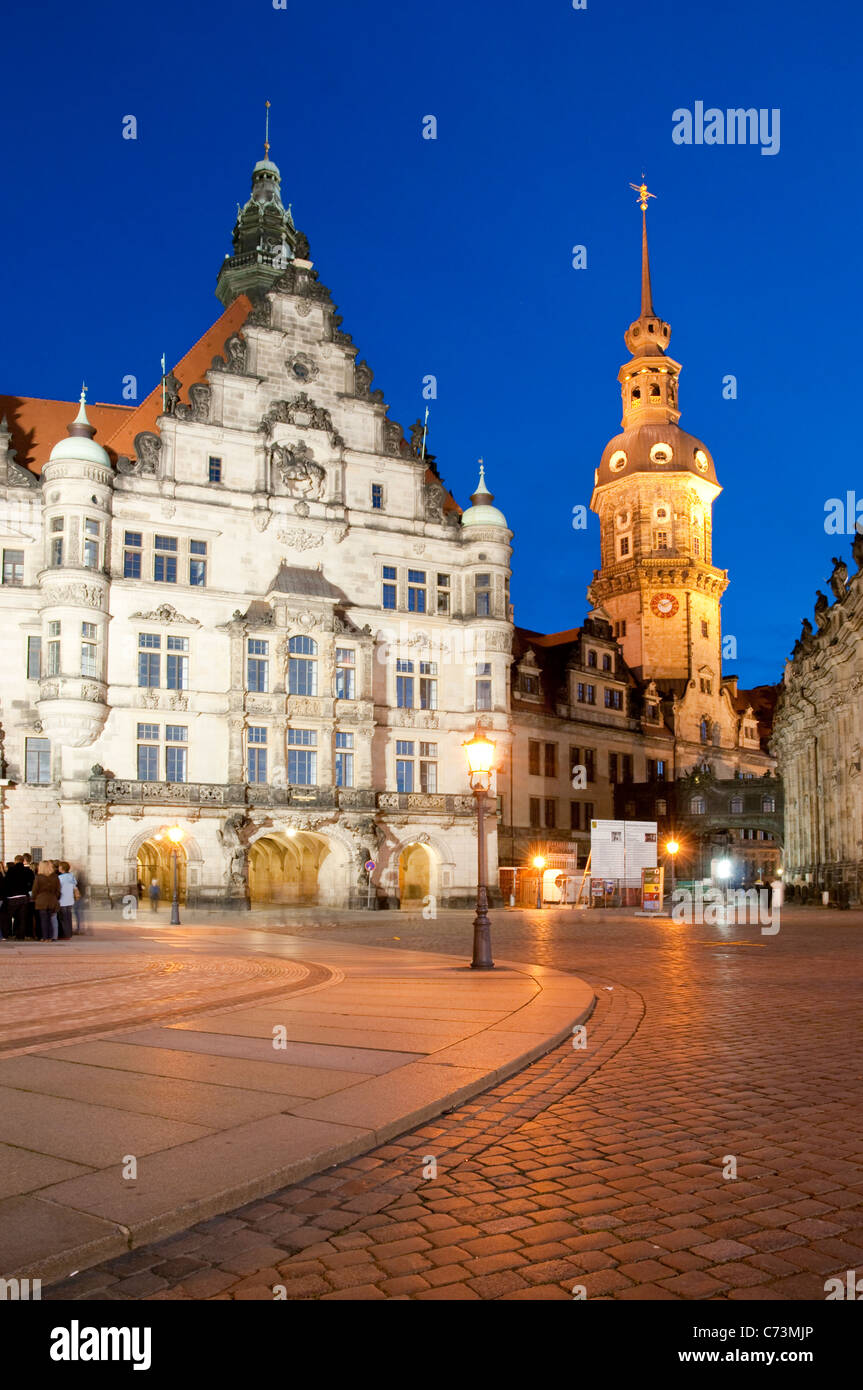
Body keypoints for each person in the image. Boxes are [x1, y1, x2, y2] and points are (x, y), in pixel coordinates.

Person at [5, 855, 35, 940]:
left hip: (13, 897)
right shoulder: (28, 871)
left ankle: (8, 934)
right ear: (23, 861)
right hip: (24, 896)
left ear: (15, 861)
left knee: (9, 916)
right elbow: (32, 884)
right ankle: (21, 936)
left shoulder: (11, 870)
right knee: (22, 918)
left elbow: (7, 883)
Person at [33, 860, 61, 941]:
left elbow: (35, 890)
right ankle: (50, 936)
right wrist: (56, 898)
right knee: (50, 919)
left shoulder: (38, 877)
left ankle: (44, 937)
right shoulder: (55, 877)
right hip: (52, 899)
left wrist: (34, 898)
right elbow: (58, 890)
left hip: (41, 900)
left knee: (43, 920)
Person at [57, 861, 77, 939]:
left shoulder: (60, 878)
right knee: (68, 917)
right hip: (70, 899)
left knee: (63, 918)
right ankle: (69, 933)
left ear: (62, 868)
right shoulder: (71, 876)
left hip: (62, 900)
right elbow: (75, 885)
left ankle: (65, 934)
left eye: (59, 866)